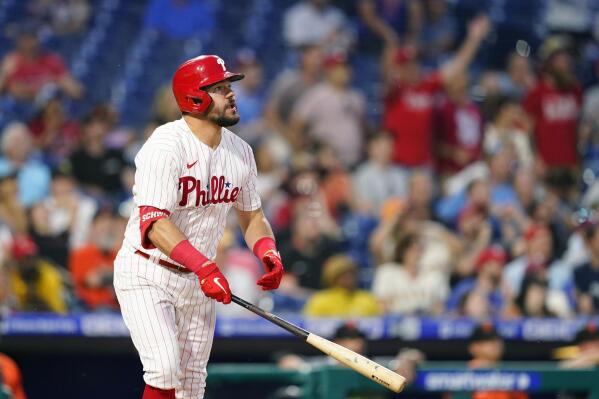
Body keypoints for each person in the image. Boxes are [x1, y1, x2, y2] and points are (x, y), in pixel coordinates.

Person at [113, 55, 285, 399]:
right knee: (164, 368)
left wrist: (268, 250)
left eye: (229, 87)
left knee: (191, 387)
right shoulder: (165, 145)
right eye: (220, 88)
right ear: (195, 97)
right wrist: (205, 267)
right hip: (148, 272)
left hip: (197, 281)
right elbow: (154, 224)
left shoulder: (241, 152)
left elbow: (251, 216)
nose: (231, 94)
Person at [0, 27, 83, 101]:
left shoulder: (51, 60)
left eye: (32, 39)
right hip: (19, 110)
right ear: (19, 43)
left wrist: (59, 84)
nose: (29, 45)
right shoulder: (11, 62)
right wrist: (4, 73)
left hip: (47, 108)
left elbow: (75, 91)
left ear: (38, 42)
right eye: (25, 40)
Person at [303, 254, 380, 316]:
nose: (348, 278)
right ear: (332, 277)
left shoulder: (366, 299)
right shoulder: (320, 300)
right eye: (342, 275)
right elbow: (308, 327)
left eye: (351, 274)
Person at [467, 322, 528, 399]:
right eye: (486, 340)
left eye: (496, 339)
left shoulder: (511, 374)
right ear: (473, 347)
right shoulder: (462, 373)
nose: (494, 343)